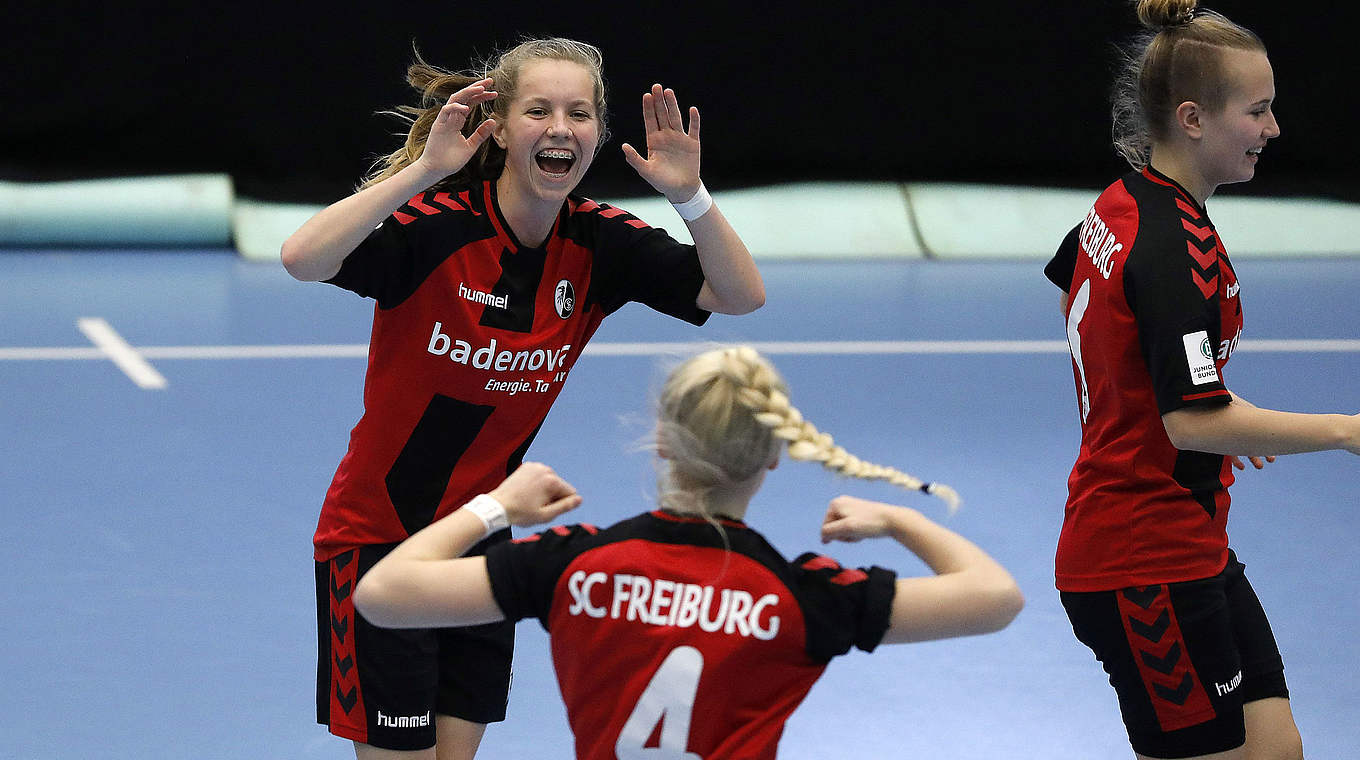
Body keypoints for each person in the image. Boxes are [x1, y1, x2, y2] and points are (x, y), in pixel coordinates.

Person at [280, 37, 765, 759]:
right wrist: (424, 171)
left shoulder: (600, 244)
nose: (560, 128)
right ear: (501, 127)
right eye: (538, 110)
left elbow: (739, 295)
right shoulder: (440, 229)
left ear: (599, 132)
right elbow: (302, 258)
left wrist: (687, 196)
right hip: (375, 540)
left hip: (482, 538)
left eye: (579, 113)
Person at [352, 345, 1023, 759]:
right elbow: (997, 598)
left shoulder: (571, 566)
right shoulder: (803, 597)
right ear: (775, 457)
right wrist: (899, 520)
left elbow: (381, 595)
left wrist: (498, 504)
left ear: (663, 442)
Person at [1045, 2, 1360, 757]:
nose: (1273, 129)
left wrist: (1196, 404)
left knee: (1276, 747)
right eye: (1257, 111)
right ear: (1192, 118)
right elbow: (1191, 421)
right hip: (1141, 564)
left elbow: (1077, 289)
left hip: (1192, 541)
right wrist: (1345, 432)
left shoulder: (1123, 205)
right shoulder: (1166, 247)